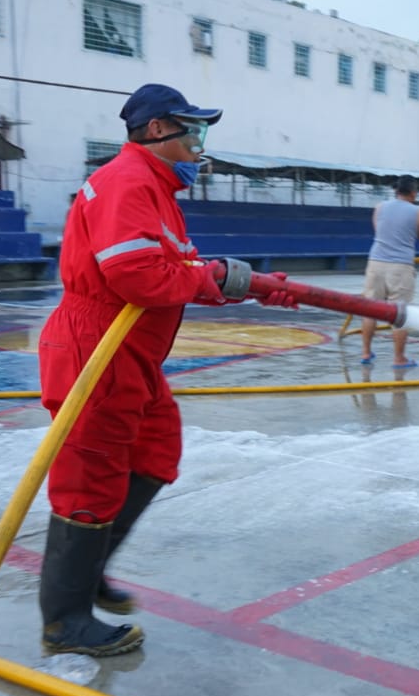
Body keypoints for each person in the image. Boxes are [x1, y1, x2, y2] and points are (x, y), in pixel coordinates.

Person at [37, 83, 296, 657]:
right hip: (97, 346)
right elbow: (136, 275)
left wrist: (247, 285)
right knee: (93, 471)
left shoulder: (154, 190)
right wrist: (214, 280)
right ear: (158, 130)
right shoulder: (128, 183)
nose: (201, 145)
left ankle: (91, 566)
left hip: (132, 350)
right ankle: (64, 619)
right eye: (195, 131)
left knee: (154, 449)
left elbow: (175, 266)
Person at [361, 174, 419, 367]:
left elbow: (380, 232)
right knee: (400, 314)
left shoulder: (379, 208)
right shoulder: (418, 212)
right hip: (400, 267)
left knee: (369, 310)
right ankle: (399, 358)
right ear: (414, 193)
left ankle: (366, 353)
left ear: (396, 191)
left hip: (375, 263)